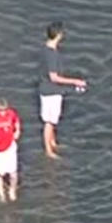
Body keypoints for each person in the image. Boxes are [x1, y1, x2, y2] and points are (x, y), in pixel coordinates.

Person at [38, 21, 87, 158]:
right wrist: (75, 81)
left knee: (52, 119)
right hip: (51, 91)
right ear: (59, 35)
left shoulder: (45, 49)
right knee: (49, 122)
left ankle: (52, 142)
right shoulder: (52, 55)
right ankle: (49, 151)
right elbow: (54, 77)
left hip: (46, 89)